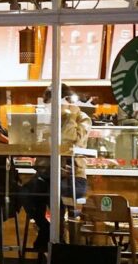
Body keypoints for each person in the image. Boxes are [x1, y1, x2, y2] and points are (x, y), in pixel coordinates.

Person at [20, 86, 92, 254]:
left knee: (55, 194)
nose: (53, 107)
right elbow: (36, 146)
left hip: (74, 178)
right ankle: (46, 229)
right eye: (50, 103)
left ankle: (58, 245)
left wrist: (71, 115)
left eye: (56, 103)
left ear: (67, 101)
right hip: (47, 176)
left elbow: (70, 139)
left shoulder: (82, 118)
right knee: (25, 193)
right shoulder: (47, 120)